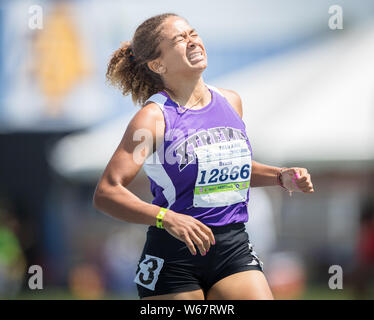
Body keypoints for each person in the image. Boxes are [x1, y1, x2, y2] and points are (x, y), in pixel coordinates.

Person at [93, 13, 314, 300]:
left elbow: (234, 167)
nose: (192, 41)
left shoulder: (231, 101)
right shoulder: (152, 119)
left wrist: (279, 176)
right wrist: (166, 218)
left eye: (193, 33)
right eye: (179, 39)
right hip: (174, 255)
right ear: (158, 64)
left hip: (232, 247)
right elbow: (107, 192)